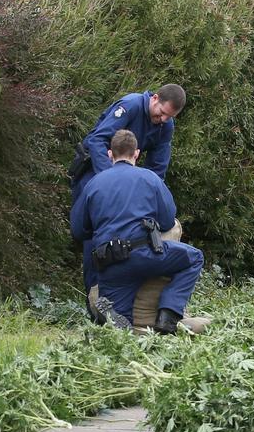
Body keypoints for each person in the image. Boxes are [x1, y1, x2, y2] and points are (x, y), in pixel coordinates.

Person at [70, 129, 203, 333]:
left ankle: (115, 318)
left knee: (122, 329)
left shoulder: (93, 184)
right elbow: (168, 220)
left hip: (110, 265)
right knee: (194, 258)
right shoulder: (150, 178)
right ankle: (168, 314)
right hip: (145, 255)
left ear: (109, 155)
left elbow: (79, 231)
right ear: (137, 154)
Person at [70, 83, 186, 294]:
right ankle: (94, 295)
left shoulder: (165, 126)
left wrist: (147, 194)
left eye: (169, 117)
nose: (163, 120)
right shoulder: (130, 105)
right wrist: (111, 180)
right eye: (161, 113)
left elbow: (158, 168)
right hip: (95, 174)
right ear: (154, 98)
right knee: (94, 235)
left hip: (127, 181)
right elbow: (97, 140)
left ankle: (122, 293)